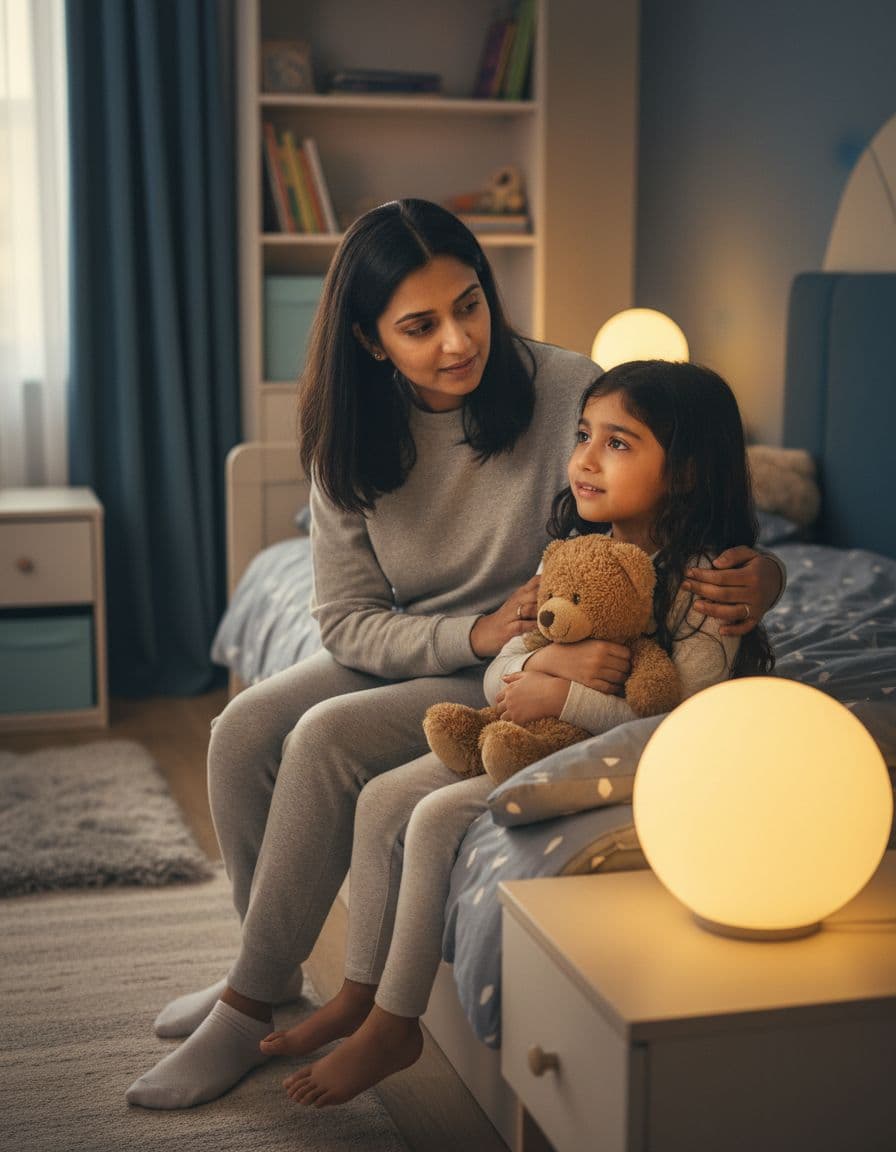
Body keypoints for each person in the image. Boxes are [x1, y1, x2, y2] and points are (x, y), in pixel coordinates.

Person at [125, 201, 781, 1110]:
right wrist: (469, 633)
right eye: (420, 326)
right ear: (369, 339)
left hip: (527, 650)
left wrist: (769, 572)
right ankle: (269, 972)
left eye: (469, 305)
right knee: (240, 730)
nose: (459, 341)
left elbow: (668, 508)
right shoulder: (345, 435)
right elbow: (348, 624)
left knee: (321, 738)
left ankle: (242, 1008)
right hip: (436, 641)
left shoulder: (564, 390)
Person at [255, 358, 775, 1109]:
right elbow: (501, 676)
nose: (586, 460)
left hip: (608, 751)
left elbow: (671, 725)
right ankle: (357, 992)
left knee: (433, 816)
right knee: (379, 799)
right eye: (584, 435)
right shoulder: (567, 550)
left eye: (619, 443)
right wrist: (552, 663)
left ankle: (396, 1026)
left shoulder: (704, 592)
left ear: (687, 471)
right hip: (525, 727)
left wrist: (562, 692)